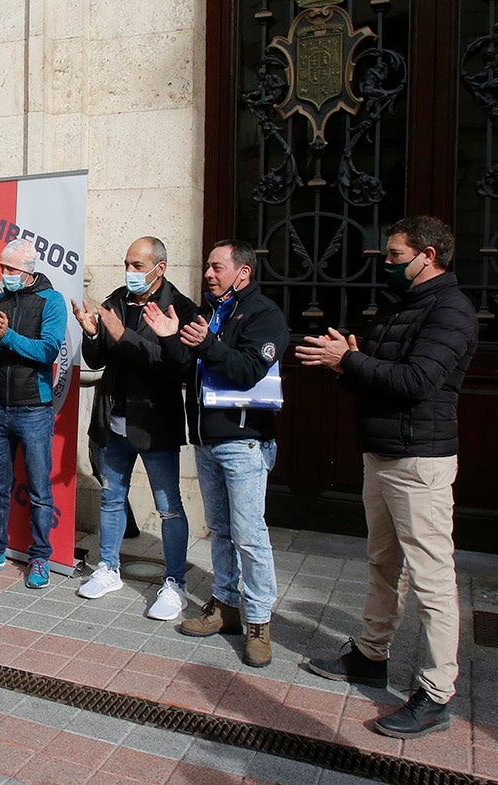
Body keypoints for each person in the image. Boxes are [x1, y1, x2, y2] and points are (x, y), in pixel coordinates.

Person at [298, 216, 478, 738]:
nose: (389, 265)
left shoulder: (452, 311)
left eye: (396, 256)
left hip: (419, 460)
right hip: (382, 453)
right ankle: (371, 653)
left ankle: (438, 692)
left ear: (428, 255)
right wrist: (345, 364)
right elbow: (380, 375)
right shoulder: (406, 306)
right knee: (383, 562)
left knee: (432, 577)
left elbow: (418, 381)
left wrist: (350, 359)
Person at [143, 239, 287, 669]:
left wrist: (205, 344)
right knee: (221, 530)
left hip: (244, 443)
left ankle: (259, 623)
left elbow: (246, 370)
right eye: (207, 266)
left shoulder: (264, 315)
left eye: (217, 267)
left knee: (249, 534)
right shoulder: (213, 313)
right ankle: (225, 607)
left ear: (242, 272)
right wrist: (172, 340)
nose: (208, 273)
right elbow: (190, 369)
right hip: (207, 441)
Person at [73, 236, 197, 620]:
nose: (130, 272)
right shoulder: (116, 300)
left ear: (160, 268)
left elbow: (170, 363)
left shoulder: (181, 308)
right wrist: (92, 332)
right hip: (115, 420)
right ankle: (108, 567)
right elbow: (97, 359)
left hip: (155, 423)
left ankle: (175, 582)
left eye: (138, 266)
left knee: (168, 507)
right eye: (127, 263)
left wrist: (122, 336)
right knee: (112, 498)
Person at [0, 239, 68, 588]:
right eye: (2, 267)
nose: (3, 274)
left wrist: (6, 336)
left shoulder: (50, 301)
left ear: (28, 271)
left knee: (39, 491)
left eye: (10, 269)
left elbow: (48, 351)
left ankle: (40, 558)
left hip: (34, 410)